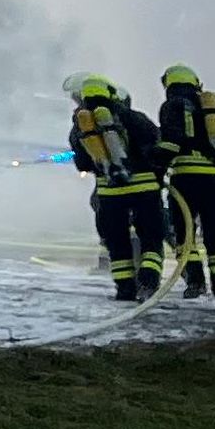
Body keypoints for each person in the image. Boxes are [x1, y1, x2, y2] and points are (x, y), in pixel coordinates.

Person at [68, 74, 165, 303]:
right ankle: (148, 281)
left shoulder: (80, 126)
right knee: (151, 237)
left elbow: (82, 163)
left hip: (109, 195)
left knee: (117, 244)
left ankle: (125, 290)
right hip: (144, 190)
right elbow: (157, 147)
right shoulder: (134, 118)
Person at [157, 63, 215, 307]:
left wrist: (156, 169)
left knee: (184, 234)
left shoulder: (173, 106)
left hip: (187, 180)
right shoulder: (212, 109)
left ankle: (195, 282)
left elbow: (172, 143)